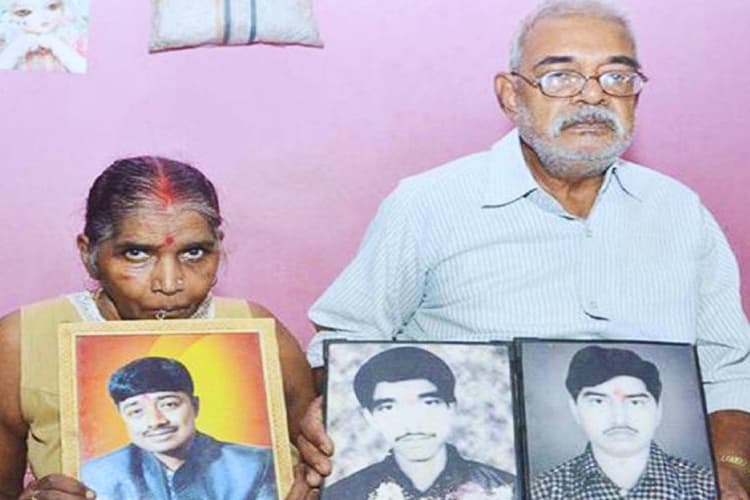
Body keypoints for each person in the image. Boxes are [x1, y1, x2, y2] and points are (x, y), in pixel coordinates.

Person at [296, 1, 750, 497]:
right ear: (511, 95)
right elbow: (347, 339)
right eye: (561, 77)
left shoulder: (680, 212)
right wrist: (330, 408)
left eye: (617, 77)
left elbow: (728, 367)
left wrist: (731, 467)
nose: (592, 96)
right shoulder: (428, 205)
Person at [0, 156, 316, 499]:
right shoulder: (23, 342)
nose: (169, 283)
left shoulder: (260, 332)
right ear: (89, 254)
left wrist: (314, 487)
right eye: (136, 253)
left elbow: (329, 468)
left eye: (194, 252)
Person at [324, 346, 514, 500]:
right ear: (370, 417)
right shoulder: (341, 495)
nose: (412, 424)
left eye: (428, 403)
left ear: (451, 407)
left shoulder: (507, 488)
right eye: (389, 408)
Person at [530, 345, 715, 499]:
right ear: (575, 409)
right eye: (598, 401)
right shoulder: (544, 491)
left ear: (658, 409)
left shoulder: (707, 487)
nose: (619, 418)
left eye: (635, 402)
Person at [82, 357, 276, 499]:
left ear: (195, 406)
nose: (155, 421)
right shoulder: (99, 474)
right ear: (122, 416)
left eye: (169, 404)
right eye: (136, 411)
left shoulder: (255, 465)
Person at [0, 0, 87, 73]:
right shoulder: (5, 41)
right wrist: (16, 48)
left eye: (52, 7)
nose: (44, 16)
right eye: (25, 11)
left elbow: (87, 72)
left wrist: (57, 46)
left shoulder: (74, 39)